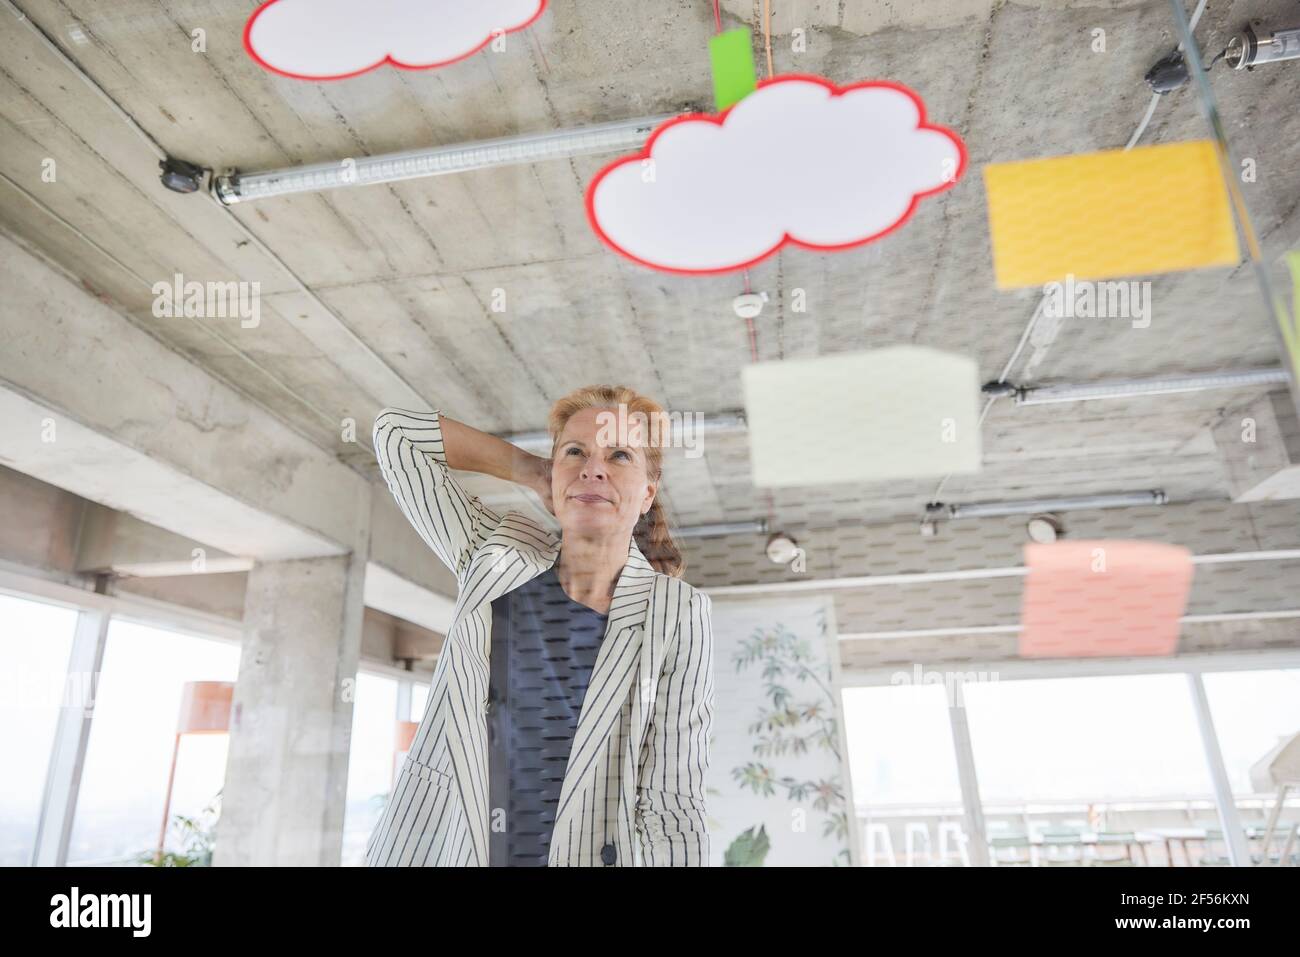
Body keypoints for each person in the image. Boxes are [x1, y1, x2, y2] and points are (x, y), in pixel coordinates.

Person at [363, 384, 715, 866]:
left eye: (618, 455)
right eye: (576, 452)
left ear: (648, 492)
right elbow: (397, 436)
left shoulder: (677, 613)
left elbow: (672, 800)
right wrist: (533, 471)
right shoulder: (495, 553)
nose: (593, 467)